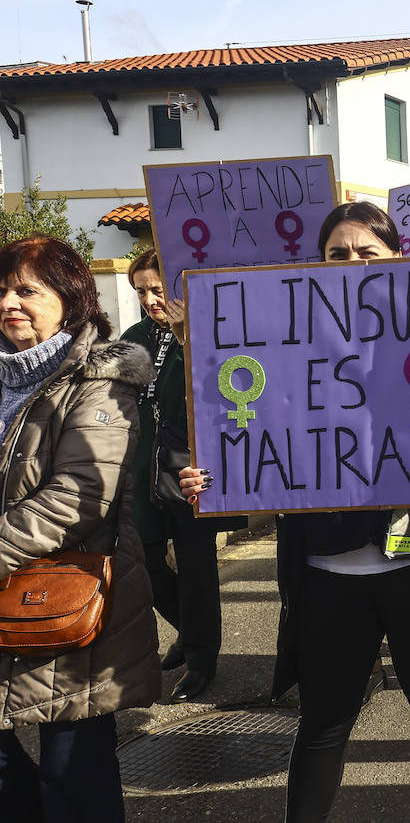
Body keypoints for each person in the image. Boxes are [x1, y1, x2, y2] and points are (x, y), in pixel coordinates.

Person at [180, 201, 410, 823]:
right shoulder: (285, 341)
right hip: (329, 573)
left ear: (398, 259)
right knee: (324, 721)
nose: (352, 264)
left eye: (368, 252)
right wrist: (216, 475)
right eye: (337, 253)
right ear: (318, 263)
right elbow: (252, 434)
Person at [0, 236, 161, 821]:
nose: (9, 303)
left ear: (70, 300)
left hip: (66, 606)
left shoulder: (102, 382)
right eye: (1, 290)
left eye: (26, 290)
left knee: (74, 775)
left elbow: (78, 498)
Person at [122, 249, 244, 703]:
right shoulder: (135, 337)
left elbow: (222, 392)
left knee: (196, 568)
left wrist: (189, 337)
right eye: (141, 292)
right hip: (142, 470)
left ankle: (201, 658)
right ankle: (191, 632)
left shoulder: (209, 331)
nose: (151, 299)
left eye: (157, 289)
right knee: (146, 562)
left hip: (193, 471)